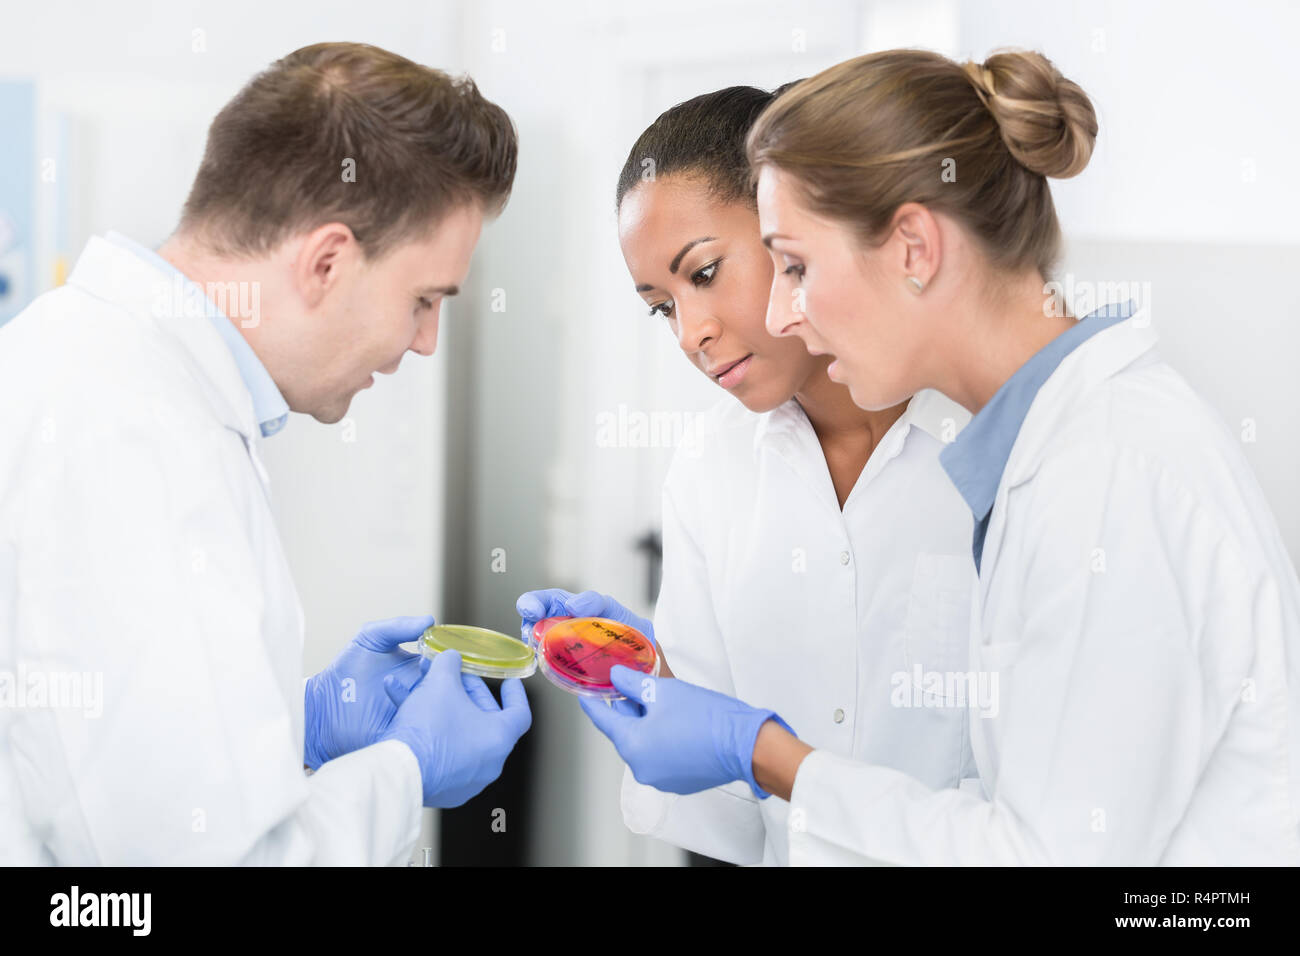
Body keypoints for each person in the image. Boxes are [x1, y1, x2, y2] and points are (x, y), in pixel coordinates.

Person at [574, 48, 1300, 865]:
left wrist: (765, 754)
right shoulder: (1051, 450)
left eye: (796, 266)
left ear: (914, 247)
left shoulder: (1106, 469)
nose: (783, 311)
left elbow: (1045, 855)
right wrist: (673, 697)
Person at [0, 42, 530, 865]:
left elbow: (131, 772)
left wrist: (297, 721)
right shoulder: (134, 435)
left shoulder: (101, 367)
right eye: (423, 300)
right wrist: (403, 770)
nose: (426, 343)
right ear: (326, 261)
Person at [518, 84, 977, 865]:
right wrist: (656, 683)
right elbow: (728, 823)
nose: (692, 332)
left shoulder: (989, 445)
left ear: (789, 226)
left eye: (703, 273)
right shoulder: (709, 469)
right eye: (660, 306)